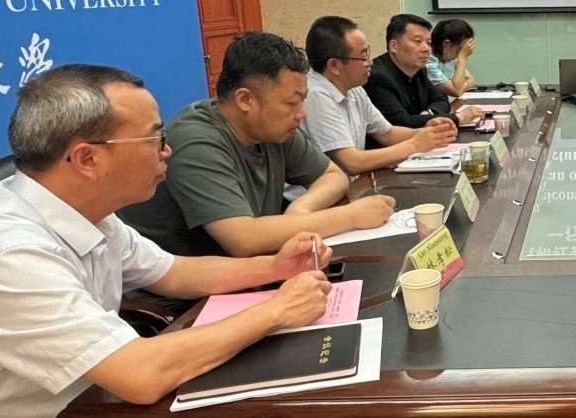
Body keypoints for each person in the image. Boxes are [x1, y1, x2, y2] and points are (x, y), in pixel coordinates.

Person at [0, 65, 333, 418]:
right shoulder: (7, 254)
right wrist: (276, 311)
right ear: (87, 158)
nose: (166, 150)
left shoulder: (85, 211)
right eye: (153, 138)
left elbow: (174, 272)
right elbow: (140, 375)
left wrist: (275, 267)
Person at [122, 32, 395, 258]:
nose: (301, 113)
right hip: (185, 296)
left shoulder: (273, 128)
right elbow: (243, 239)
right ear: (245, 100)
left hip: (249, 272)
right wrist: (349, 216)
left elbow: (332, 176)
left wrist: (300, 211)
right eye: (292, 102)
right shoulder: (195, 139)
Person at [302, 15, 457, 175]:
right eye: (363, 56)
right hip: (328, 188)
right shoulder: (315, 95)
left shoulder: (354, 89)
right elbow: (352, 163)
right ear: (334, 65)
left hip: (354, 183)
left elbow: (387, 134)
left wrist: (428, 133)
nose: (370, 62)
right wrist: (414, 145)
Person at [365, 14, 482, 129]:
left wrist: (428, 114)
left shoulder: (419, 70)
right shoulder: (376, 77)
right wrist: (458, 118)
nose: (426, 49)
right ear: (394, 46)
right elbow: (401, 122)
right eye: (417, 41)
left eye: (428, 43)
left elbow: (441, 100)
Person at [427, 17, 478, 98]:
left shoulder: (452, 60)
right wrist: (462, 58)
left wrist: (459, 86)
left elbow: (472, 81)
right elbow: (456, 91)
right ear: (446, 44)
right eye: (464, 46)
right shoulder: (428, 62)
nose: (466, 50)